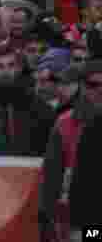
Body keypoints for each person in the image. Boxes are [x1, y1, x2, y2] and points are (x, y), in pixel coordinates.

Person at [46, 61, 102, 242]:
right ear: (83, 86)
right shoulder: (65, 123)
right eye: (94, 85)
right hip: (83, 221)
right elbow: (52, 175)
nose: (100, 90)